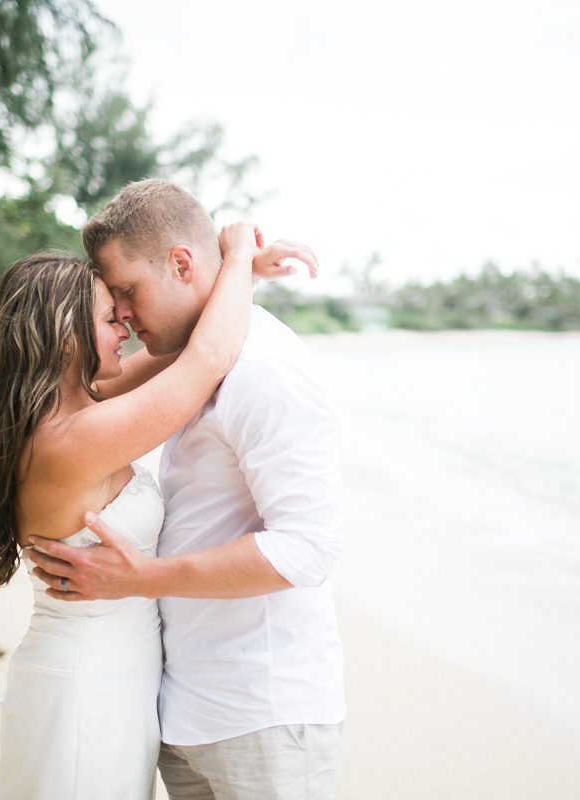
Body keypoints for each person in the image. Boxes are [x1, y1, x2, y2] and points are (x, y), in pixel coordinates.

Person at [27, 179, 346, 800]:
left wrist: (143, 578)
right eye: (111, 301)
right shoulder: (191, 361)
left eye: (126, 290)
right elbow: (202, 356)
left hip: (263, 714)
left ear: (180, 264)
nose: (121, 312)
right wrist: (236, 268)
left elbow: (309, 549)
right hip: (185, 712)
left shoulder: (262, 370)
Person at [0, 220, 307, 799]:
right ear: (64, 338)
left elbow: (183, 347)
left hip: (115, 678)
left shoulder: (77, 411)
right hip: (87, 685)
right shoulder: (71, 440)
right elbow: (207, 359)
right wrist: (236, 251)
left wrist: (226, 275)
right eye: (108, 318)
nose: (124, 323)